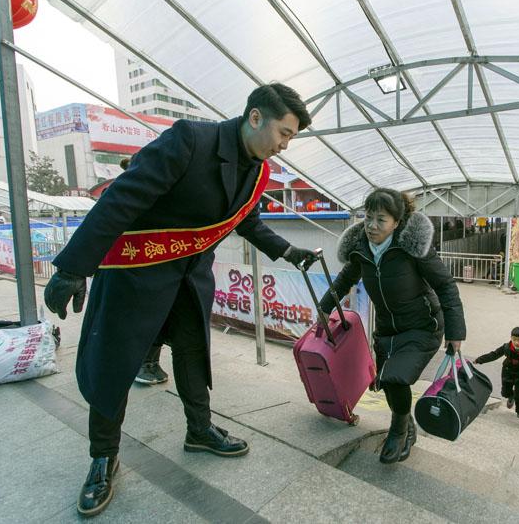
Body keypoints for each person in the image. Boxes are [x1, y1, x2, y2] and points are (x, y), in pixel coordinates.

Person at [43, 83, 319, 517]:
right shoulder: (190, 140)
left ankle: (200, 430)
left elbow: (246, 220)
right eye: (284, 132)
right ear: (255, 117)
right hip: (137, 274)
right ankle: (103, 457)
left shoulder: (256, 169)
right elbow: (121, 199)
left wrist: (288, 250)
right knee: (115, 365)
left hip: (190, 277)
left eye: (290, 137)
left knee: (193, 354)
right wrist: (72, 268)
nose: (285, 145)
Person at [318, 188, 466, 464]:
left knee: (396, 377)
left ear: (397, 222)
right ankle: (405, 423)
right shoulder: (361, 247)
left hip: (423, 326)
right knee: (386, 382)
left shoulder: (411, 247)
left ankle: (399, 430)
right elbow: (344, 278)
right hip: (387, 329)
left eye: (381, 220)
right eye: (368, 218)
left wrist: (456, 332)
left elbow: (445, 285)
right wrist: (325, 307)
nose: (372, 226)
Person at [474, 327, 519, 419]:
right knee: (505, 393)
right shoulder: (507, 347)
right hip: (507, 371)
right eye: (514, 340)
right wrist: (480, 360)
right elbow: (494, 354)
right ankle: (511, 396)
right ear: (511, 338)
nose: (517, 343)